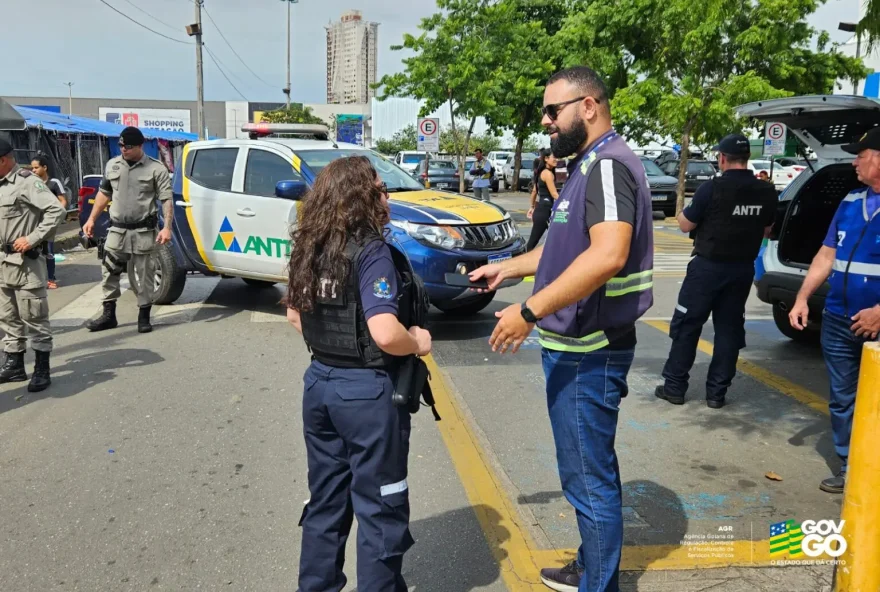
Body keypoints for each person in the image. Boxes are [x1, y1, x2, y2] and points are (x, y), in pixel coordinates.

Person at [470, 66, 654, 592]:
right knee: (587, 471)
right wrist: (508, 268)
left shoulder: (607, 167)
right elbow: (563, 249)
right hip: (579, 348)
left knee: (587, 480)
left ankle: (600, 583)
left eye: (555, 110)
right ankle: (592, 565)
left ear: (589, 106)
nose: (547, 121)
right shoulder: (586, 166)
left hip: (589, 353)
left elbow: (608, 255)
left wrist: (527, 312)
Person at [285, 156, 432, 592]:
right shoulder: (372, 251)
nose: (387, 197)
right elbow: (386, 332)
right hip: (367, 394)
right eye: (380, 189)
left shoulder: (310, 245)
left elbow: (295, 315)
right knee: (380, 508)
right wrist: (419, 342)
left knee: (325, 504)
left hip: (320, 385)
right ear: (361, 196)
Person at [654, 134, 777, 409]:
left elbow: (685, 225)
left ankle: (674, 387)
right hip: (742, 269)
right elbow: (767, 229)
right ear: (745, 159)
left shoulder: (712, 188)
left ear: (722, 158)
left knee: (687, 325)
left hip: (707, 268)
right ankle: (716, 393)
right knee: (729, 330)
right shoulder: (767, 190)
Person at [788, 127, 880, 494]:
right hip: (840, 319)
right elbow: (827, 254)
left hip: (876, 322)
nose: (854, 162)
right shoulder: (850, 201)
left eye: (860, 155)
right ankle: (850, 466)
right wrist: (802, 296)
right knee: (843, 397)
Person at [82, 127, 172, 334]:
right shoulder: (113, 165)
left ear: (140, 146)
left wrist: (167, 228)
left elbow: (166, 199)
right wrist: (91, 219)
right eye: (121, 145)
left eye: (128, 146)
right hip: (117, 230)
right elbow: (104, 193)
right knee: (109, 271)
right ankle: (108, 314)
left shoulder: (156, 169)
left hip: (143, 231)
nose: (124, 149)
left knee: (145, 274)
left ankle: (143, 316)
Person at [0, 139, 66, 392]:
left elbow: (56, 212)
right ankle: (14, 365)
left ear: (4, 160)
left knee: (34, 317)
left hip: (26, 264)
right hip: (3, 263)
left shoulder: (27, 182)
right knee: (7, 317)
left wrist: (32, 238)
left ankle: (41, 369)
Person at [30, 155, 67, 289]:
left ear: (44, 168)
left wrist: (57, 216)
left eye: (36, 167)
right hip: (34, 222)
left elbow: (63, 200)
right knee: (34, 250)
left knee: (49, 251)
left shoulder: (53, 183)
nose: (33, 170)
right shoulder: (31, 182)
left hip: (49, 222)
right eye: (32, 168)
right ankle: (37, 278)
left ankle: (51, 279)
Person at [526, 149, 560, 251]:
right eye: (554, 157)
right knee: (532, 243)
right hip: (544, 212)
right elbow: (554, 194)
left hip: (542, 210)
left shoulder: (541, 172)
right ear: (546, 158)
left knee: (555, 239)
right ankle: (522, 261)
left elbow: (534, 192)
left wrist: (532, 207)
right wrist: (569, 204)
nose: (556, 160)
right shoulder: (548, 174)